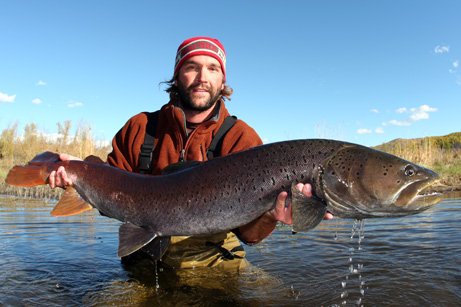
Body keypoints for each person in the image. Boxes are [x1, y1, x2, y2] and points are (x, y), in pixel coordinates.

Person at [49, 36, 333, 270]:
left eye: (212, 68)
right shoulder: (140, 127)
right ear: (176, 75)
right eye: (192, 67)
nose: (202, 77)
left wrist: (273, 216)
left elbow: (249, 236)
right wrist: (81, 173)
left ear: (223, 80)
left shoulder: (241, 138)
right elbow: (109, 188)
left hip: (215, 262)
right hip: (144, 260)